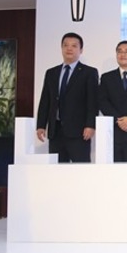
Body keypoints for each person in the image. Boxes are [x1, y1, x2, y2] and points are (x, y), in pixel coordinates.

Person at [36, 32, 99, 163]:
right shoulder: (51, 73)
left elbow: (92, 101)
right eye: (65, 45)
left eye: (74, 46)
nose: (69, 48)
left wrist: (90, 125)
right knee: (57, 169)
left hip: (79, 132)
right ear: (61, 48)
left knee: (81, 169)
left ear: (81, 50)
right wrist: (41, 125)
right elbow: (45, 100)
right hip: (55, 131)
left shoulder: (89, 72)